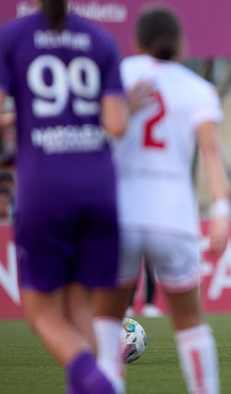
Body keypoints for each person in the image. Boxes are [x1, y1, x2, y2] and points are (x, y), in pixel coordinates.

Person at [94, 7, 231, 394]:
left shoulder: (119, 74)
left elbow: (100, 134)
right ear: (182, 45)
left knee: (106, 324)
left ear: (136, 43)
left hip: (118, 213)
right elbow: (210, 152)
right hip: (173, 215)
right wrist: (221, 209)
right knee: (190, 322)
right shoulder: (198, 89)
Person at [0, 0, 128, 392]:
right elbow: (116, 124)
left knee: (42, 316)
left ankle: (101, 384)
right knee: (78, 310)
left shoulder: (12, 37)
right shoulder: (101, 40)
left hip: (44, 189)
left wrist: (20, 120)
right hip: (99, 188)